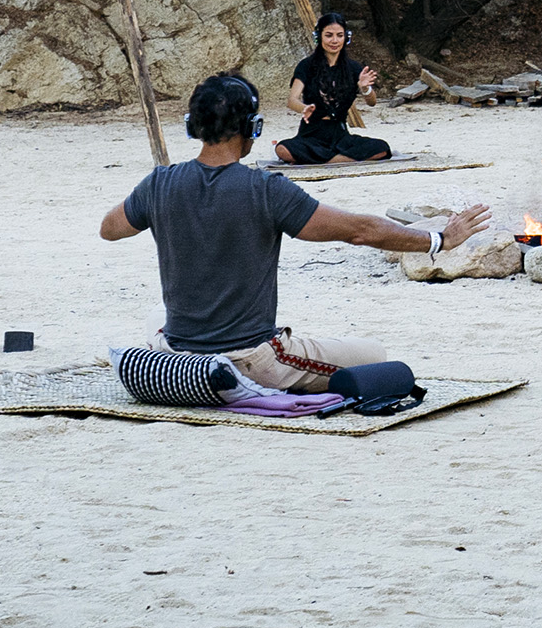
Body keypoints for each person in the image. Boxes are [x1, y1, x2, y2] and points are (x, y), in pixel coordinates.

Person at [101, 71, 493, 393]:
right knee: (374, 354)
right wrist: (439, 239)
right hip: (251, 358)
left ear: (192, 126)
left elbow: (110, 229)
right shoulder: (265, 190)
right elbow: (360, 230)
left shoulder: (159, 183)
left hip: (180, 349)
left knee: (159, 314)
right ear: (252, 127)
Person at [275, 16, 395, 166]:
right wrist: (304, 108)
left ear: (346, 37)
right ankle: (341, 159)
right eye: (329, 35)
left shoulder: (353, 68)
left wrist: (365, 88)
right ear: (319, 37)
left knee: (382, 148)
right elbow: (292, 100)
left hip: (340, 134)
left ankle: (327, 160)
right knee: (282, 149)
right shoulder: (306, 66)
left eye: (339, 36)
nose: (334, 41)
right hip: (312, 133)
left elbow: (372, 102)